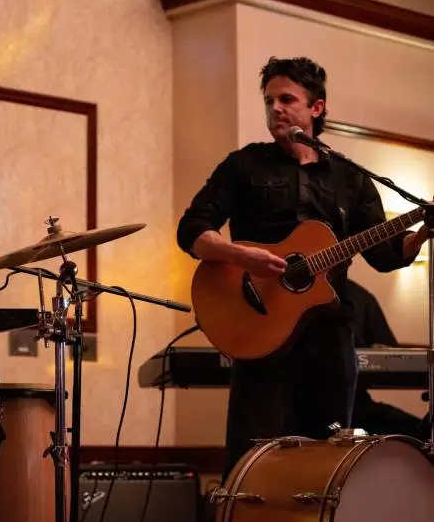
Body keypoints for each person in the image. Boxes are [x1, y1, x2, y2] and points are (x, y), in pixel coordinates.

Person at [176, 56, 431, 480]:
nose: (275, 108)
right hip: (259, 328)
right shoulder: (243, 166)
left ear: (316, 107)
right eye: (269, 101)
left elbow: (385, 255)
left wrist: (420, 234)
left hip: (329, 334)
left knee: (325, 458)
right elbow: (192, 231)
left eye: (286, 99)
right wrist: (243, 256)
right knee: (252, 458)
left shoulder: (350, 177)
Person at [346, 278, 424, 437]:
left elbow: (391, 359)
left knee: (421, 434)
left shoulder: (359, 297)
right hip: (300, 410)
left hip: (357, 407)